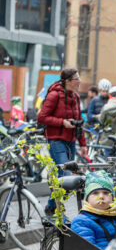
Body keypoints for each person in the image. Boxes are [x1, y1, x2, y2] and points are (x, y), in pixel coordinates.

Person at [37, 68, 87, 215]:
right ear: (68, 81)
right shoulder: (54, 95)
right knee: (64, 174)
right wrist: (62, 122)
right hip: (56, 140)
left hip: (71, 141)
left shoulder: (76, 97)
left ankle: (52, 206)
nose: (79, 81)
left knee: (64, 173)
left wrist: (82, 143)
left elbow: (79, 122)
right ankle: (58, 209)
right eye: (77, 79)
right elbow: (41, 118)